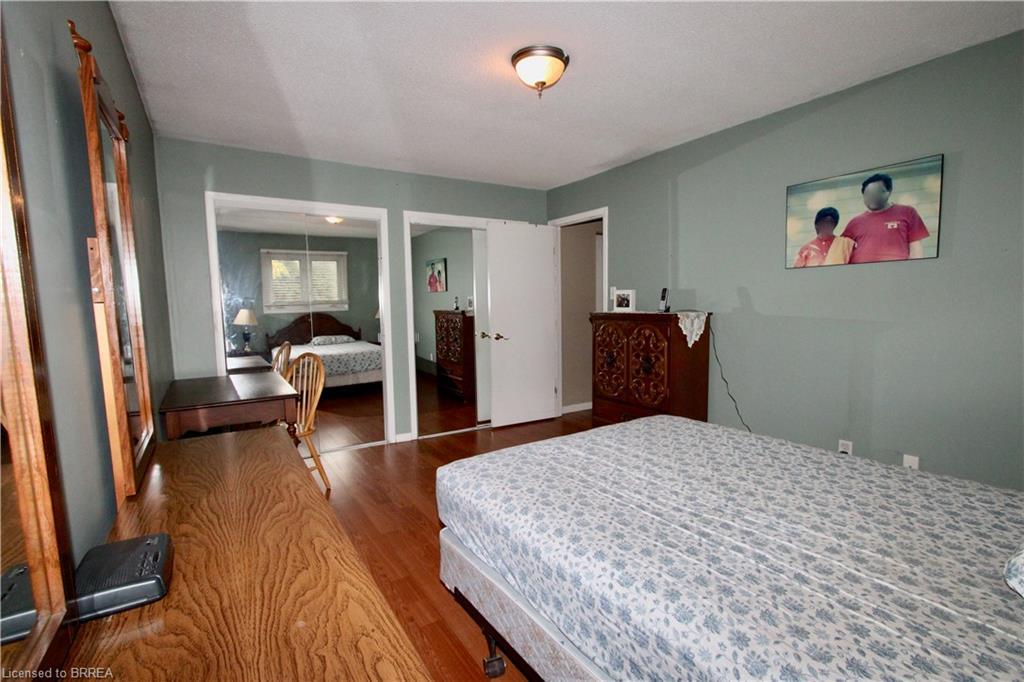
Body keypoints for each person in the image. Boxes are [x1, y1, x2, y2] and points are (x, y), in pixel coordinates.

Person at [841, 173, 930, 263]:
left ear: (889, 191)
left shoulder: (907, 212)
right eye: (868, 193)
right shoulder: (855, 222)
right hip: (859, 273)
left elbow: (916, 248)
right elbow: (842, 251)